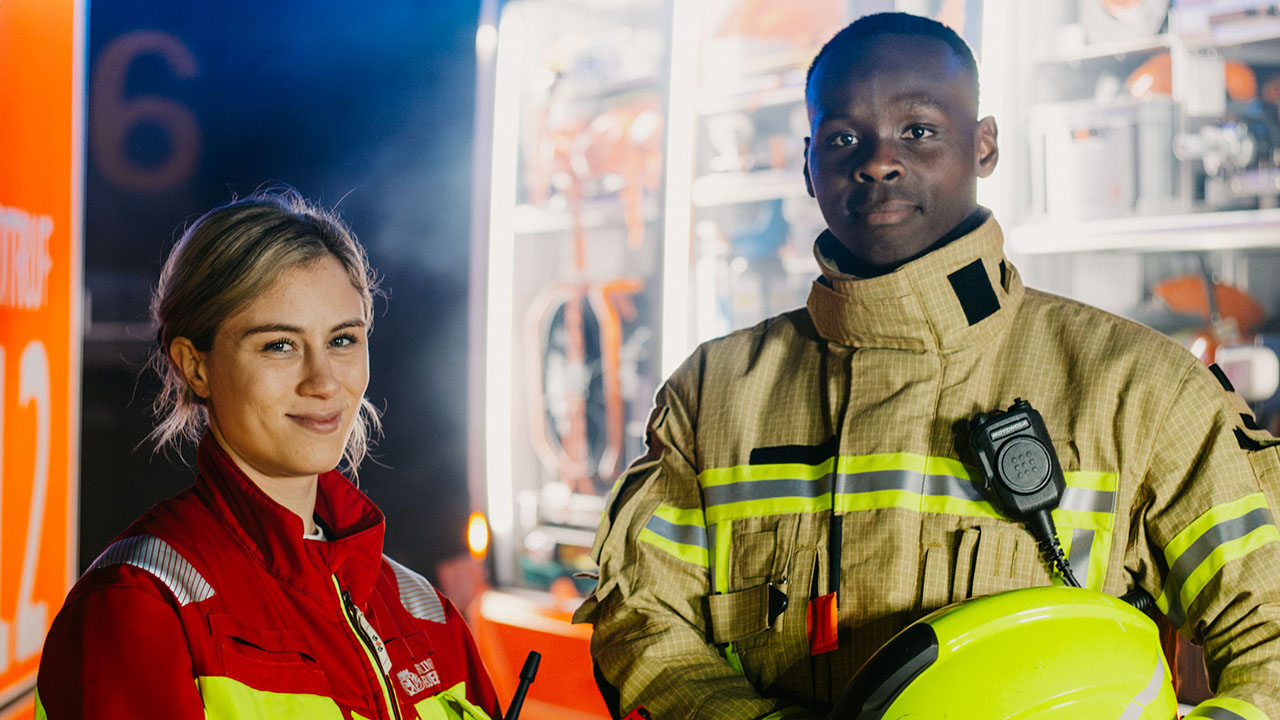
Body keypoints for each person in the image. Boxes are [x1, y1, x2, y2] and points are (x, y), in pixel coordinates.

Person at [575, 12, 1280, 720]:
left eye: (918, 130)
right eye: (844, 137)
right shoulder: (715, 395)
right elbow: (644, 624)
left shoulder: (1139, 388)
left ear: (984, 146)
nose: (879, 160)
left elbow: (1270, 641)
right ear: (807, 162)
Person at [36, 189, 500, 720]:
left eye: (343, 340)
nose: (324, 381)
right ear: (195, 366)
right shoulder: (140, 606)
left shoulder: (421, 609)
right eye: (279, 345)